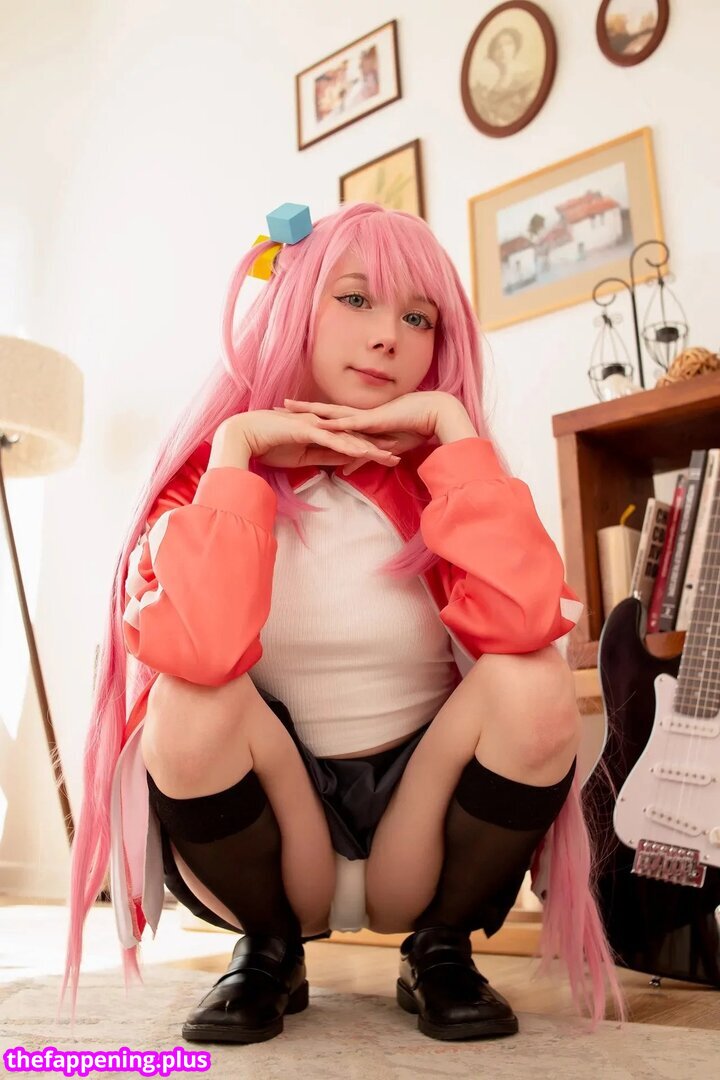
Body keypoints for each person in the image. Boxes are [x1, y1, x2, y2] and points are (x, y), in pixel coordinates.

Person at [59, 201, 624, 1044]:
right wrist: (238, 452)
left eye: (418, 317)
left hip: (421, 828)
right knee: (189, 697)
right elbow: (201, 649)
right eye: (356, 299)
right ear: (294, 306)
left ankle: (440, 947)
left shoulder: (443, 476)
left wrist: (454, 432)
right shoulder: (203, 479)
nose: (388, 335)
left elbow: (527, 621)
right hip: (275, 837)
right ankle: (268, 951)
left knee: (534, 679)